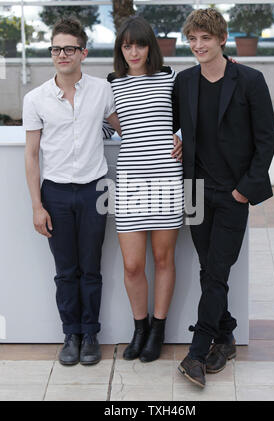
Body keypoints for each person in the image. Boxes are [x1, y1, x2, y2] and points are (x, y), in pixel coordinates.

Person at [172, 8, 274, 387]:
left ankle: (197, 352)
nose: (198, 45)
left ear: (221, 39)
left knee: (216, 271)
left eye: (205, 38)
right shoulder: (184, 81)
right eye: (193, 39)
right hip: (196, 191)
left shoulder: (249, 80)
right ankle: (227, 334)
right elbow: (169, 122)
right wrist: (175, 137)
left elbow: (266, 140)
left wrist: (244, 190)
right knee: (209, 270)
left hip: (233, 194)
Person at [23, 17, 121, 366]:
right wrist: (37, 205)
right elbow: (32, 156)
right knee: (66, 271)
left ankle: (91, 333)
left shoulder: (102, 91)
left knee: (91, 268)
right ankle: (71, 334)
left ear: (83, 52)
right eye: (56, 49)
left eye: (69, 48)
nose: (62, 54)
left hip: (95, 191)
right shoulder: (36, 99)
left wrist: (173, 137)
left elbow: (125, 125)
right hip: (56, 194)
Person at [107, 16, 183, 363]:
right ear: (120, 49)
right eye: (127, 45)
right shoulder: (112, 85)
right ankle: (139, 328)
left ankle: (158, 329)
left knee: (163, 258)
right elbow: (107, 128)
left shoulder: (169, 79)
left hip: (167, 180)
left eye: (139, 44)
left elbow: (189, 118)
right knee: (133, 264)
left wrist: (181, 137)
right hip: (130, 184)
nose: (133, 51)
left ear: (150, 46)